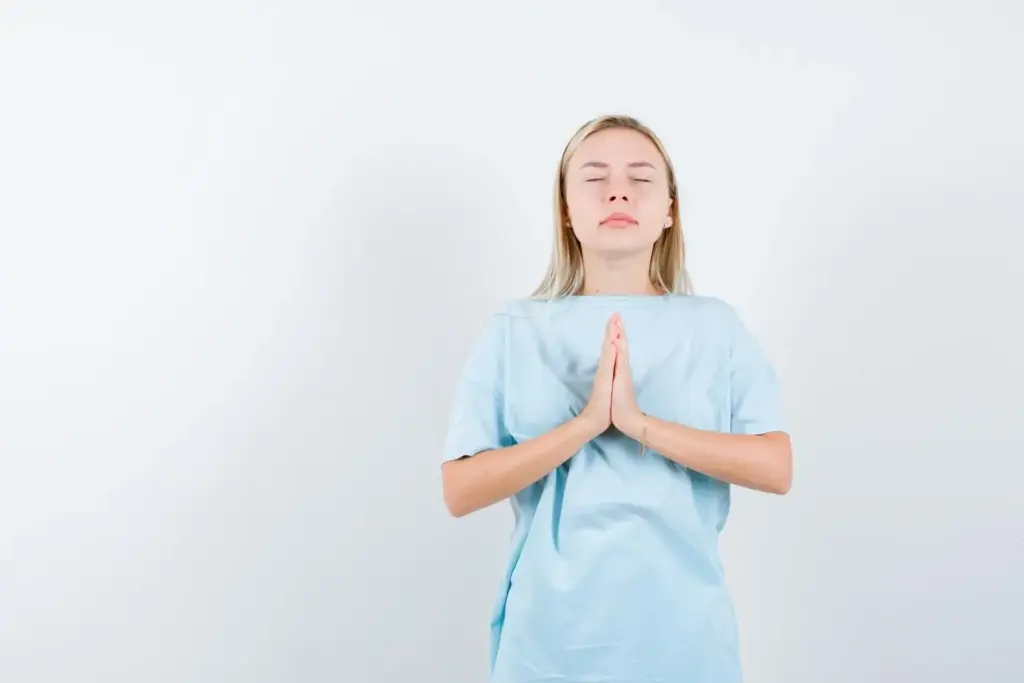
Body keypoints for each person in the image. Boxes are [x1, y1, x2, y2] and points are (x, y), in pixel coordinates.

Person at [439, 114, 792, 683]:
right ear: (566, 209)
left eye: (641, 178)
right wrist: (585, 425)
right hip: (547, 641)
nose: (618, 192)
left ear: (670, 210)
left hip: (683, 636)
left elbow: (775, 466)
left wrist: (637, 423)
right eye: (595, 178)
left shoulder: (716, 327)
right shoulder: (515, 329)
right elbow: (460, 489)